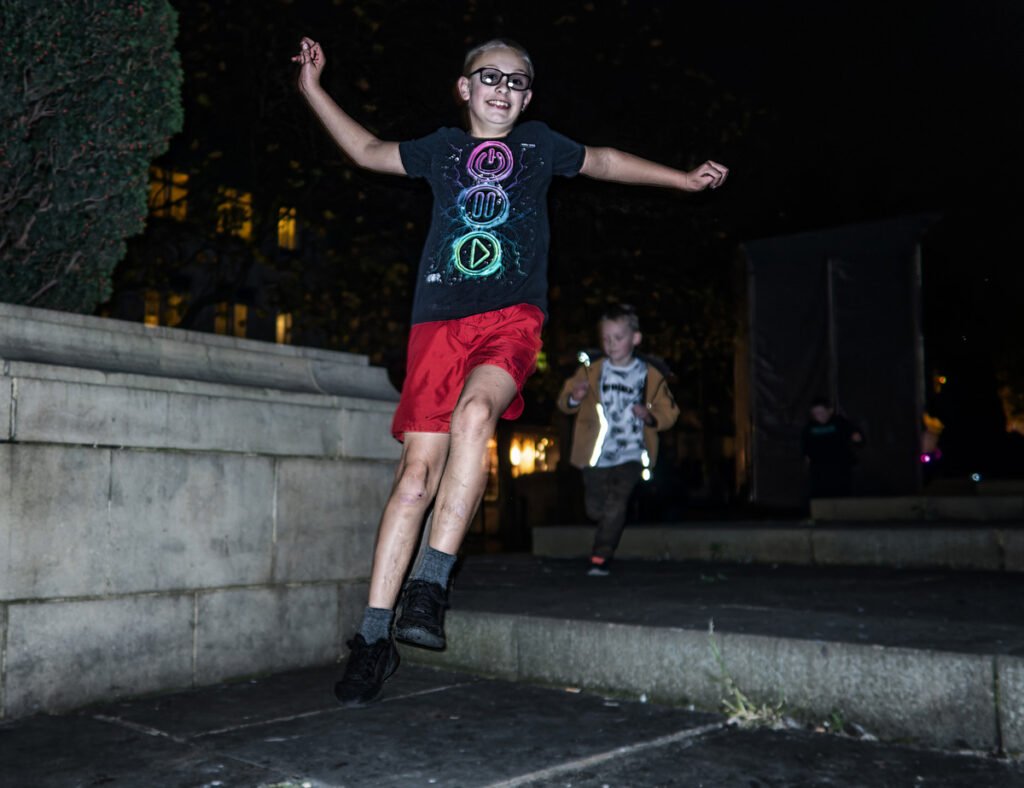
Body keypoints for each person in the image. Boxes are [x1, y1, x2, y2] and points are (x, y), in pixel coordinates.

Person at [292, 35, 728, 706]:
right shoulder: (440, 149)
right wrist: (313, 89)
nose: (502, 88)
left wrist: (682, 179)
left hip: (510, 320)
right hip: (436, 326)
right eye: (489, 76)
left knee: (476, 414)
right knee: (414, 480)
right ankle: (373, 638)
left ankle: (431, 582)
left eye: (516, 81)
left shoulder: (539, 146)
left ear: (527, 99)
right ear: (464, 88)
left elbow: (606, 160)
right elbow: (367, 150)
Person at [558, 304, 680, 575]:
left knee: (617, 502)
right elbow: (565, 399)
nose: (611, 344)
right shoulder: (592, 370)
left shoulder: (650, 375)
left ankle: (600, 556)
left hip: (632, 453)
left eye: (618, 338)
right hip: (596, 455)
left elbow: (670, 411)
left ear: (635, 338)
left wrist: (650, 416)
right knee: (595, 509)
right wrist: (574, 397)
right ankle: (606, 523)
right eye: (606, 338)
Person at [801, 396, 864, 498]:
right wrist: (807, 458)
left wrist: (857, 438)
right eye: (815, 414)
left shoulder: (840, 422)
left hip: (840, 467)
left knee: (842, 493)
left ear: (830, 411)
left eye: (821, 412)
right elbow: (805, 446)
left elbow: (857, 437)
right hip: (820, 469)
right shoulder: (809, 428)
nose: (819, 416)